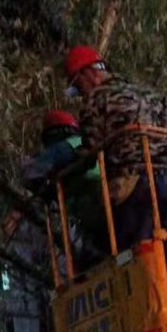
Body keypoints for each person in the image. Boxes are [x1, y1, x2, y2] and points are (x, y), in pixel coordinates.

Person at [64, 45, 167, 262]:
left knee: (132, 258)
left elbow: (89, 154)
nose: (80, 94)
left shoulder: (95, 101)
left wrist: (68, 176)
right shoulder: (150, 94)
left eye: (78, 87)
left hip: (134, 193)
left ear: (89, 74)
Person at [18, 110, 105, 270]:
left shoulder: (66, 146)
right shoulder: (85, 142)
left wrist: (42, 186)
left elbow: (31, 172)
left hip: (91, 204)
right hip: (106, 202)